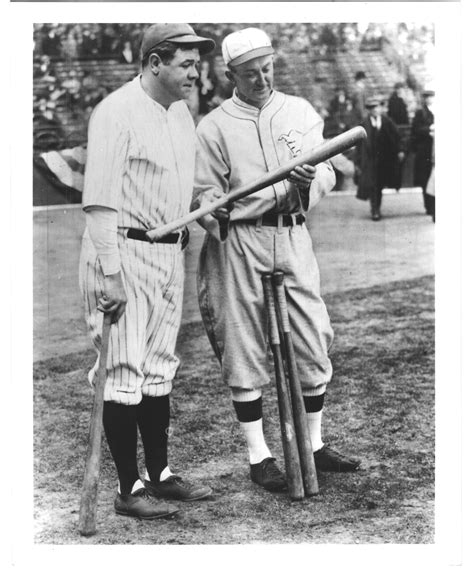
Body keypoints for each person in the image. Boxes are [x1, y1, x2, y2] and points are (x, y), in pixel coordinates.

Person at [192, 27, 360, 494]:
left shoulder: (299, 112)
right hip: (239, 241)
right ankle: (258, 455)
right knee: (242, 341)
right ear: (230, 76)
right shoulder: (214, 125)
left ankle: (315, 443)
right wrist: (216, 205)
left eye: (267, 69)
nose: (261, 79)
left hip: (290, 233)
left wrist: (307, 181)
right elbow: (204, 191)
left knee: (312, 334)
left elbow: (326, 168)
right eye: (250, 74)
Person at [79, 23, 216, 520]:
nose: (196, 71)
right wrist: (110, 274)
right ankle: (126, 487)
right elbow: (98, 204)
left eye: (198, 62)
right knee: (122, 371)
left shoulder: (180, 112)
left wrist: (206, 201)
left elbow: (188, 187)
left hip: (168, 251)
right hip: (123, 251)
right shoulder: (115, 112)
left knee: (158, 367)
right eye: (186, 62)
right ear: (155, 62)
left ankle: (159, 475)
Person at [354, 96, 404, 220]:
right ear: (368, 110)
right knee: (373, 185)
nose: (375, 110)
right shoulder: (364, 124)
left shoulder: (387, 121)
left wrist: (400, 150)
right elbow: (359, 145)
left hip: (385, 160)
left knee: (380, 185)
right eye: (372, 108)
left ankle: (377, 207)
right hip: (370, 160)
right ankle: (375, 210)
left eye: (377, 107)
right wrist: (357, 162)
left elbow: (397, 137)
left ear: (381, 108)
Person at [411, 89, 435, 215]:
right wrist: (429, 130)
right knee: (426, 179)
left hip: (435, 149)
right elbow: (416, 130)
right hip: (425, 151)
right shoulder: (421, 113)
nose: (430, 99)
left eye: (431, 97)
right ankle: (429, 206)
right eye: (427, 97)